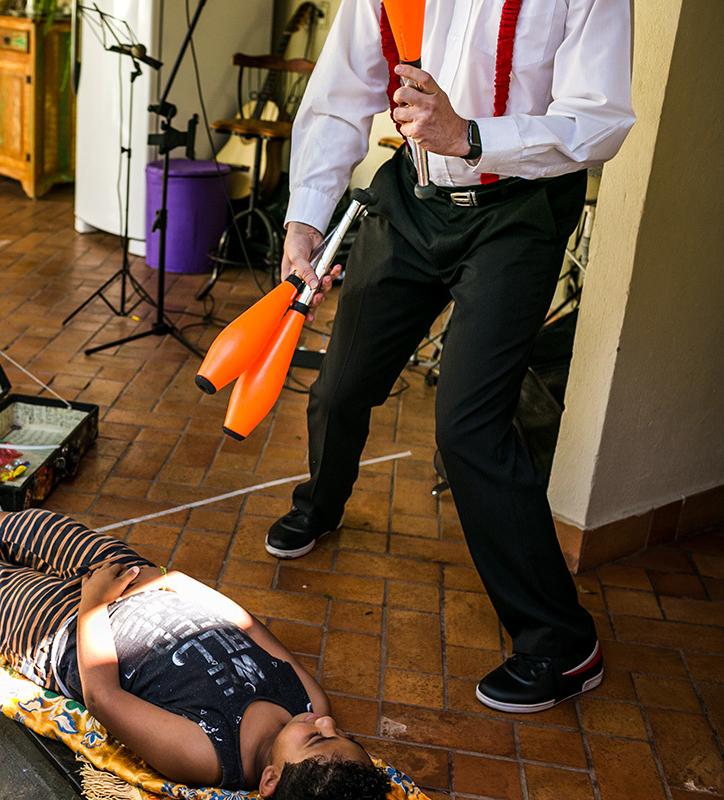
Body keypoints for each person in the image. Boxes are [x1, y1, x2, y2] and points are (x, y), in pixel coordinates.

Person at [271, 0, 635, 715]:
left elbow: (600, 118)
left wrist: (470, 136)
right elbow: (338, 96)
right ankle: (322, 504)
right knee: (341, 385)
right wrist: (305, 219)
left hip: (519, 214)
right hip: (411, 199)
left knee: (468, 428)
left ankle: (562, 643)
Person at [0, 436, 394, 800]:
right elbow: (251, 629)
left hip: (66, 633)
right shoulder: (309, 703)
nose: (326, 721)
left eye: (318, 737)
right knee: (39, 527)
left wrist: (93, 604)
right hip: (138, 581)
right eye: (339, 731)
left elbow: (105, 699)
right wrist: (175, 583)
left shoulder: (209, 757)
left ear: (270, 781)